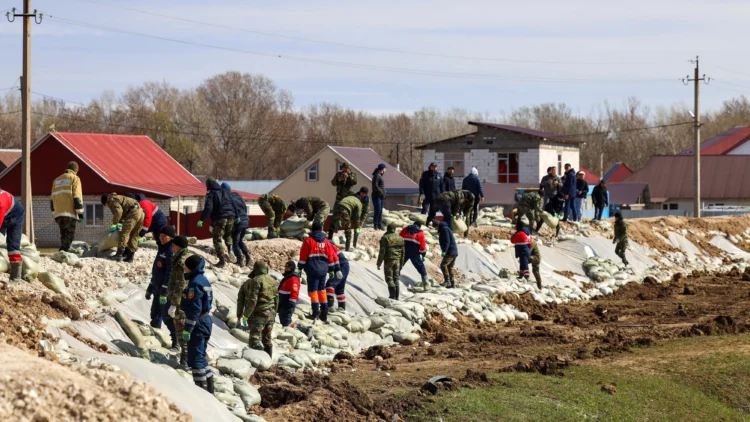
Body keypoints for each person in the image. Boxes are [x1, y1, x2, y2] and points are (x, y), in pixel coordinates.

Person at [179, 254, 214, 393]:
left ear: (191, 267)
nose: (184, 268)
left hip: (198, 323)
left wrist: (188, 329)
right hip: (205, 321)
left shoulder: (195, 284)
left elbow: (195, 309)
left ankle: (201, 392)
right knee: (201, 356)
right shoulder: (204, 280)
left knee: (195, 359)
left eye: (186, 266)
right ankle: (210, 389)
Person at [298, 221, 341, 322]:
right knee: (322, 291)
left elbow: (303, 256)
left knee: (313, 291)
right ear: (321, 230)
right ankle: (324, 312)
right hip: (323, 271)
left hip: (312, 270)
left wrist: (299, 268)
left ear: (312, 229)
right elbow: (330, 256)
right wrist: (331, 269)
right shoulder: (326, 241)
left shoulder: (308, 241)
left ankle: (315, 312)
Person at [145, 225, 178, 350]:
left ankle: (176, 342)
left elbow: (170, 273)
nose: (162, 238)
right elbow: (157, 271)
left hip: (165, 291)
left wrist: (164, 291)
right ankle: (156, 340)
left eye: (164, 236)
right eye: (160, 236)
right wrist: (150, 287)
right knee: (155, 314)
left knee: (167, 317)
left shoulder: (170, 251)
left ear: (171, 237)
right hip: (157, 288)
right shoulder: (162, 249)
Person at [237, 260, 278, 357]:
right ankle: (268, 360)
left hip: (260, 314)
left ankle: (258, 362)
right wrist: (274, 313)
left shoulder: (255, 281)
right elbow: (277, 299)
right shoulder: (273, 281)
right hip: (271, 313)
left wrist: (245, 315)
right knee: (267, 338)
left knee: (254, 339)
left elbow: (252, 300)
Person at [198, 178, 235, 268]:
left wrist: (201, 220)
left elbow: (208, 208)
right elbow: (233, 204)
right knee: (228, 235)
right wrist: (236, 216)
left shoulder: (211, 194)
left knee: (217, 239)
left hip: (220, 218)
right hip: (231, 217)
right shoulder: (225, 191)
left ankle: (221, 261)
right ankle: (230, 250)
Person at [167, 235, 191, 367]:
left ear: (178, 246)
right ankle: (186, 357)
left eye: (173, 245)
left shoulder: (181, 261)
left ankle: (185, 359)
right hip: (183, 301)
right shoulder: (183, 258)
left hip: (181, 303)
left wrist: (174, 304)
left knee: (181, 330)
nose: (172, 247)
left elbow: (181, 285)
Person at [50, 161, 84, 252]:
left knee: (63, 236)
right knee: (69, 236)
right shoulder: (75, 178)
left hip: (58, 213)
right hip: (69, 213)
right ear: (76, 170)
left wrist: (54, 212)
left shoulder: (56, 180)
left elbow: (52, 198)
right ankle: (63, 252)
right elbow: (77, 196)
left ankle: (63, 253)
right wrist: (80, 213)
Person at [101, 193, 144, 263]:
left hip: (133, 212)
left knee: (124, 233)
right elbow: (123, 211)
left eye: (106, 205)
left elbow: (118, 212)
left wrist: (114, 223)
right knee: (134, 235)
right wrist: (120, 222)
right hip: (140, 212)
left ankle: (119, 255)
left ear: (106, 202)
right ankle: (130, 257)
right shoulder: (118, 198)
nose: (107, 207)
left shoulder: (112, 200)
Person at [0, 189, 25, 282]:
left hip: (16, 216)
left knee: (13, 246)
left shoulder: (1, 203)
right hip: (5, 215)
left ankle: (15, 278)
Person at [377, 222, 405, 300]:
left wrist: (379, 263)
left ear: (388, 229)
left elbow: (382, 252)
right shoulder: (400, 238)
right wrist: (401, 263)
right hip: (398, 260)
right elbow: (403, 252)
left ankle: (392, 296)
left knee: (389, 278)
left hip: (389, 260)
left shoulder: (385, 238)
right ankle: (397, 297)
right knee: (396, 278)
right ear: (394, 229)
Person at [226, 184, 252, 267]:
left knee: (235, 242)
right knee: (240, 240)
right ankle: (247, 256)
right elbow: (244, 207)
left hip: (238, 222)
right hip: (245, 220)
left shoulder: (227, 198)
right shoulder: (237, 196)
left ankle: (239, 260)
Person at [399, 221, 429, 291]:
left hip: (405, 250)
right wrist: (423, 253)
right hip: (414, 252)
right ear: (419, 226)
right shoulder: (420, 233)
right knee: (420, 267)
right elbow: (422, 246)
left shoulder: (405, 230)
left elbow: (399, 238)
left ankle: (394, 279)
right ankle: (426, 285)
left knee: (399, 264)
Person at [418, 162, 443, 227]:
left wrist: (442, 195)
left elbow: (442, 186)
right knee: (425, 209)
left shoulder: (439, 175)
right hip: (426, 196)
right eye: (432, 167)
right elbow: (421, 185)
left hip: (435, 196)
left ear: (437, 168)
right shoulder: (425, 174)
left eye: (435, 167)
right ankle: (421, 223)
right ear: (430, 167)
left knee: (433, 211)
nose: (433, 168)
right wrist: (422, 193)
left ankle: (431, 223)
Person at [277, 260, 301, 327]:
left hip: (287, 302)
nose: (286, 269)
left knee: (286, 318)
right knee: (282, 316)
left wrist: (291, 303)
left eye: (288, 268)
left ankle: (288, 328)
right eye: (285, 267)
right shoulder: (287, 277)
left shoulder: (293, 279)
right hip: (282, 301)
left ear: (291, 268)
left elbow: (294, 291)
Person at [325, 244, 349, 311]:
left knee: (330, 284)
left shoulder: (326, 245)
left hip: (340, 266)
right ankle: (342, 309)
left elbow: (333, 258)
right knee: (339, 290)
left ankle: (329, 306)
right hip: (344, 265)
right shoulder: (328, 245)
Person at [438, 220, 458, 288]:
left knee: (443, 265)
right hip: (454, 251)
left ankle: (447, 281)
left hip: (450, 252)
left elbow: (447, 241)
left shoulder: (444, 229)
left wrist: (444, 251)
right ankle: (452, 283)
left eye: (435, 227)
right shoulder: (447, 229)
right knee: (450, 267)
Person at [371, 164, 387, 230]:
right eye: (385, 168)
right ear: (382, 169)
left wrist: (383, 192)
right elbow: (375, 185)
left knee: (380, 211)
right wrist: (381, 192)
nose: (386, 170)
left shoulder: (380, 175)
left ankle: (379, 224)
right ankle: (376, 225)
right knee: (377, 210)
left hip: (381, 196)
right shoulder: (377, 175)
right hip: (377, 195)